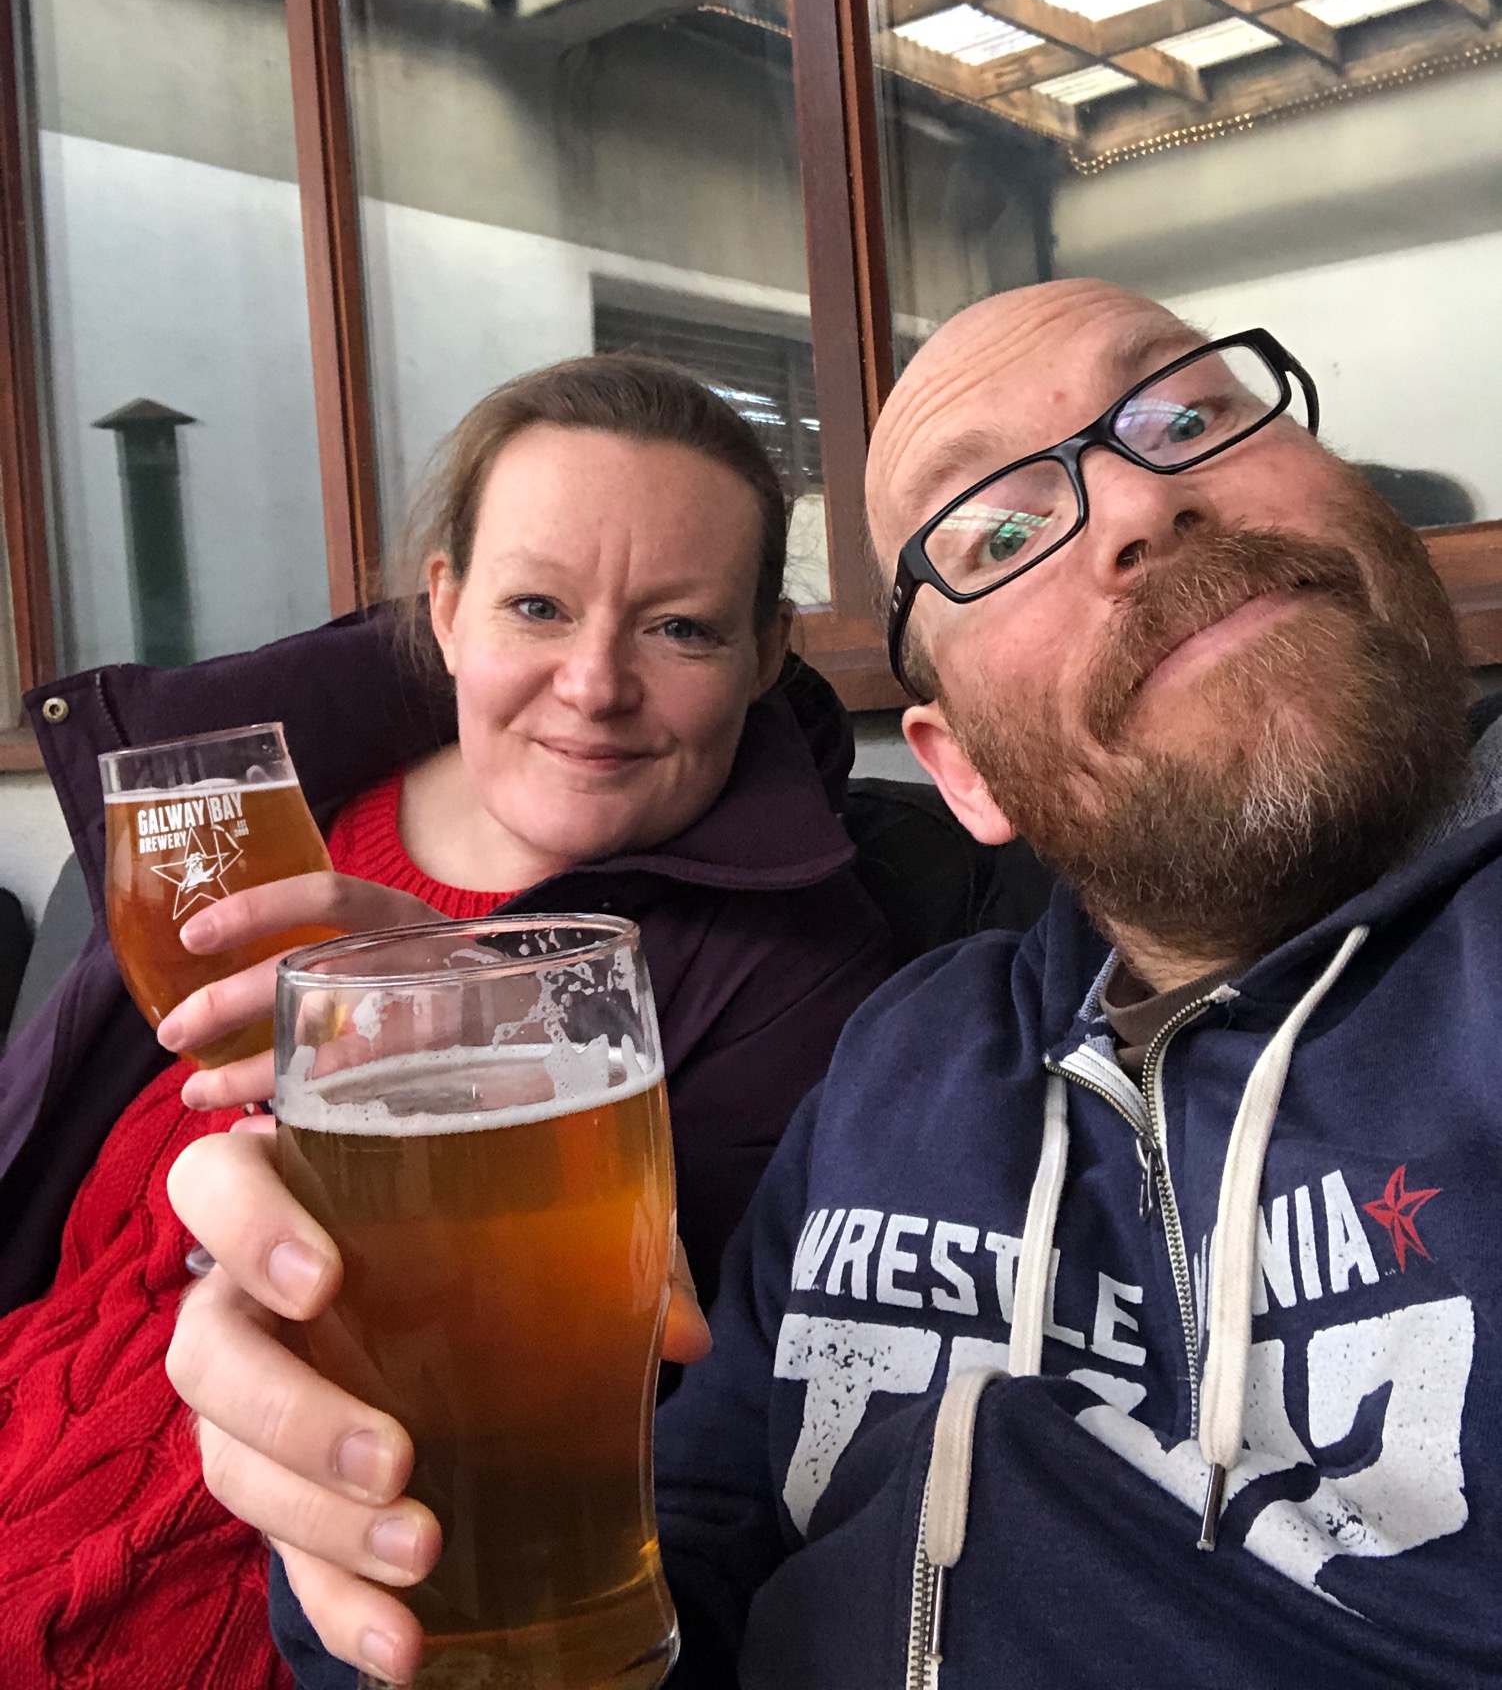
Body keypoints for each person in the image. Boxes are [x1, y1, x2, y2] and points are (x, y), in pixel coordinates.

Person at [167, 279, 1502, 1688]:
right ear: (961, 772)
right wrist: (418, 1525)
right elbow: (674, 1582)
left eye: (1185, 417)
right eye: (998, 529)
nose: (1135, 505)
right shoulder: (901, 1061)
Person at [0, 353, 892, 1689]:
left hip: (245, 1600)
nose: (593, 682)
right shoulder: (243, 830)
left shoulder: (797, 973)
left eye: (679, 629)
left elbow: (649, 1401)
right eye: (537, 605)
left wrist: (473, 1020)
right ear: (446, 604)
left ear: (764, 653)